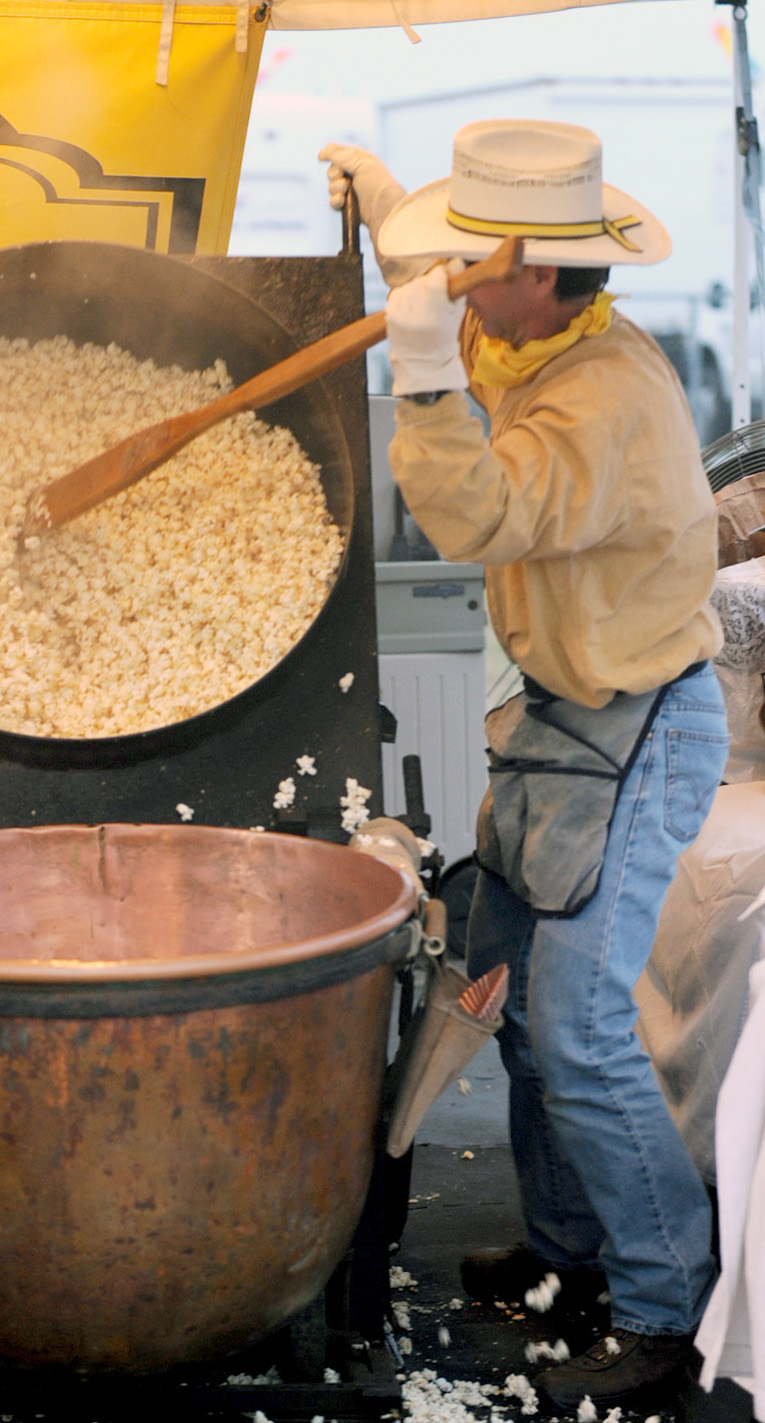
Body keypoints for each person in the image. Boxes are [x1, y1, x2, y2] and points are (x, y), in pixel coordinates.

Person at [321, 120, 729, 1414]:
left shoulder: (605, 401)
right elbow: (447, 291)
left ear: (540, 273)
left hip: (640, 726)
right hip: (557, 716)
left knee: (582, 1028)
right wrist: (390, 215)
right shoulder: (537, 328)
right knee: (503, 988)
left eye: (474, 259)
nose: (457, 282)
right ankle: (566, 1257)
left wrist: (426, 364)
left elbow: (473, 514)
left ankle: (661, 1307)